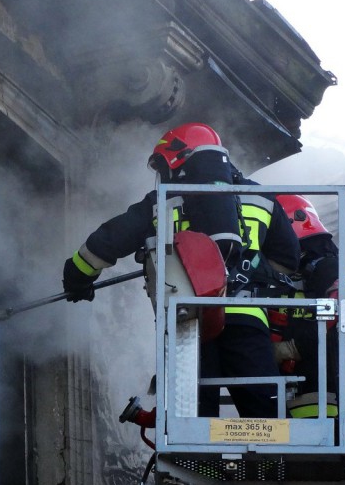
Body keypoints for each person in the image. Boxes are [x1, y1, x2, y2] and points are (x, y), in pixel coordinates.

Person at [62, 122, 300, 418]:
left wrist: (77, 276)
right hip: (248, 318)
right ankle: (274, 448)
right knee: (267, 416)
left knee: (193, 418)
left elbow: (108, 241)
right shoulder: (260, 197)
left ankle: (199, 449)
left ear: (177, 158)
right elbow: (288, 258)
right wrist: (250, 273)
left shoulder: (164, 200)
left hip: (190, 320)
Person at [272, 195, 340, 401]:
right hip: (293, 389)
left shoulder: (328, 267)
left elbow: (341, 314)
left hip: (322, 391)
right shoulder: (293, 274)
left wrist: (293, 348)